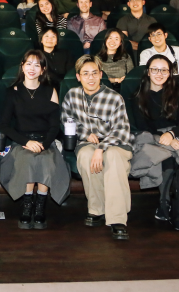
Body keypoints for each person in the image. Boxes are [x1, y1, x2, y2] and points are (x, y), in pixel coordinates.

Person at [62, 55, 132, 239]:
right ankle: (96, 209)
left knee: (113, 158)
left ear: (101, 74)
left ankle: (117, 219)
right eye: (86, 74)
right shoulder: (72, 95)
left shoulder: (114, 97)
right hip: (87, 143)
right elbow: (66, 121)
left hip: (115, 143)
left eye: (94, 73)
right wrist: (85, 134)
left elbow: (122, 131)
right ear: (78, 77)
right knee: (85, 156)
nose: (90, 77)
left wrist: (101, 147)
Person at [0, 51, 70, 229]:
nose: (32, 68)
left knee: (46, 160)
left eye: (37, 65)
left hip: (46, 141)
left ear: (43, 69)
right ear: (22, 66)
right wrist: (26, 142)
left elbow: (55, 126)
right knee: (27, 160)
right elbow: (5, 126)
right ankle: (27, 204)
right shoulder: (12, 92)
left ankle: (40, 207)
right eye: (28, 64)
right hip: (22, 141)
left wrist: (44, 145)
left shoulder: (50, 91)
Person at [131, 55, 179, 221]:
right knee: (167, 159)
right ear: (148, 72)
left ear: (170, 73)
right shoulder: (138, 95)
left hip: (178, 134)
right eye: (155, 69)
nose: (159, 73)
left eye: (164, 70)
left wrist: (171, 134)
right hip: (152, 138)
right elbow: (143, 127)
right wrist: (164, 138)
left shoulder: (178, 92)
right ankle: (164, 203)